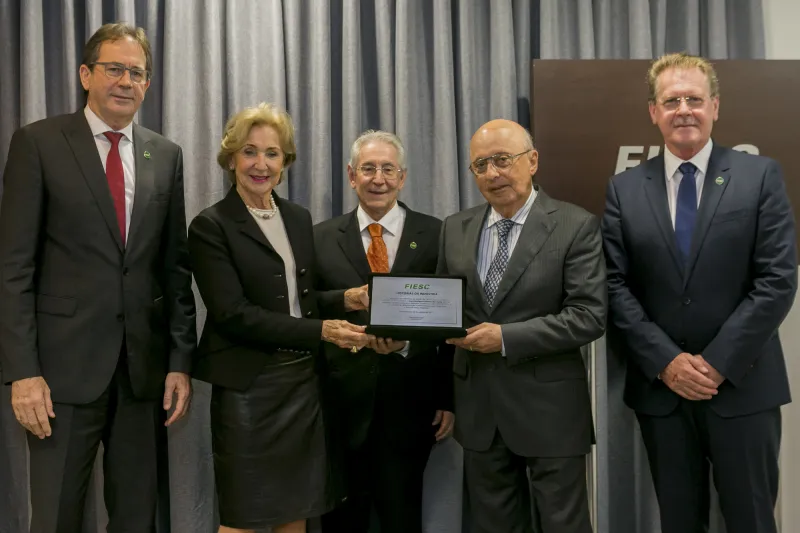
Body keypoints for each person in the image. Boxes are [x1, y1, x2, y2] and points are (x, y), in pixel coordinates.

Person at [0, 23, 197, 532]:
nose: (126, 81)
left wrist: (179, 361)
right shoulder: (38, 143)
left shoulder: (165, 155)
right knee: (57, 517)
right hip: (59, 375)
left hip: (141, 374)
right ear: (86, 74)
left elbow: (174, 269)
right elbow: (14, 268)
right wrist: (22, 372)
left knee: (137, 517)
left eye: (137, 72)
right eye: (114, 68)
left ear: (148, 84)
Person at [601, 52, 797, 533]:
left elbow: (777, 279)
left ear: (715, 106)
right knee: (678, 521)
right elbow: (613, 284)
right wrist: (667, 362)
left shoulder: (759, 175)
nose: (683, 109)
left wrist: (716, 363)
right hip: (663, 394)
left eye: (694, 99)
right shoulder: (624, 189)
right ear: (653, 112)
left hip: (743, 386)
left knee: (752, 519)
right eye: (672, 100)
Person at [188, 103, 372, 533]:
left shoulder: (296, 217)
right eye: (249, 152)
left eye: (272, 154)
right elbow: (234, 315)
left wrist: (345, 299)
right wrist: (322, 330)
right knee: (244, 518)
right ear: (231, 158)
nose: (260, 164)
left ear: (285, 162)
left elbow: (296, 302)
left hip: (304, 384)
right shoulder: (210, 226)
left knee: (297, 513)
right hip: (250, 390)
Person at [438, 119, 606, 533]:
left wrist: (506, 338)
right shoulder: (454, 228)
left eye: (502, 160)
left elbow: (588, 315)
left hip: (550, 412)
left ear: (532, 161)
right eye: (481, 164)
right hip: (479, 411)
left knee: (563, 525)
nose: (493, 173)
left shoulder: (574, 225)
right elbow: (440, 311)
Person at [314, 130, 454, 533]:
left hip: (412, 404)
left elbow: (449, 318)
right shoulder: (320, 237)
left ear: (403, 176)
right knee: (341, 522)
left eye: (388, 169)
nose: (379, 178)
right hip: (339, 404)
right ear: (351, 175)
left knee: (402, 516)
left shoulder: (438, 234)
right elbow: (307, 306)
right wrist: (348, 299)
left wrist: (448, 397)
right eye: (368, 168)